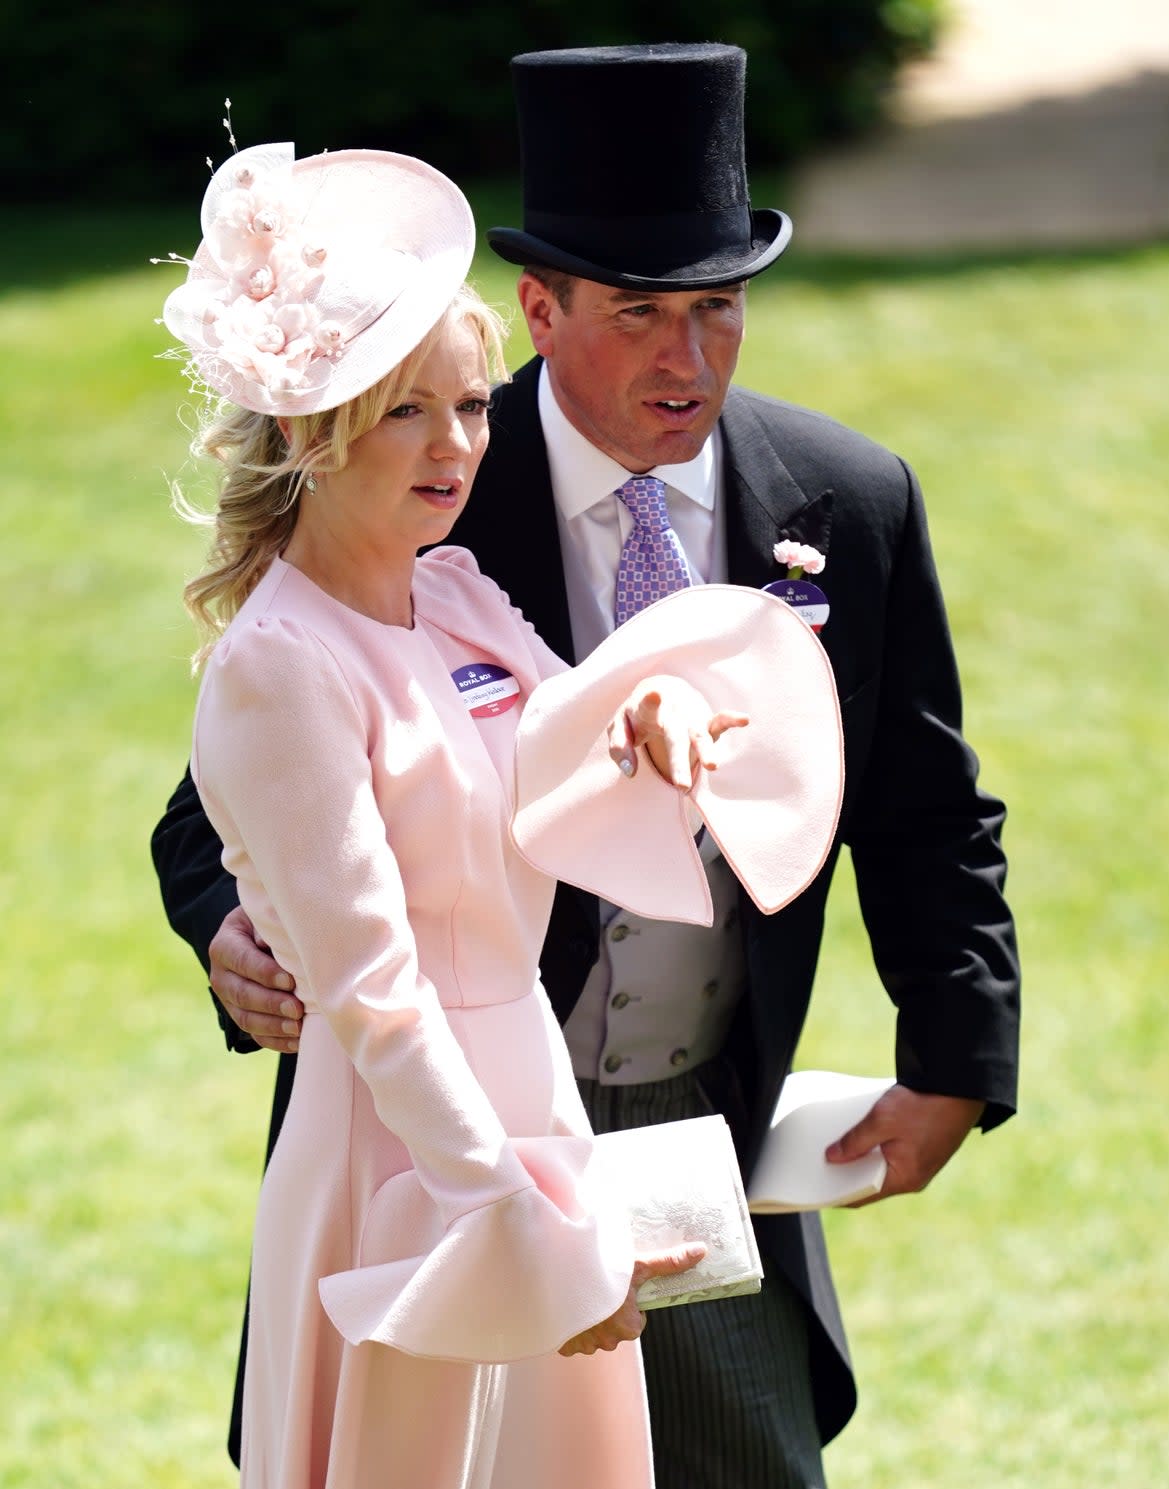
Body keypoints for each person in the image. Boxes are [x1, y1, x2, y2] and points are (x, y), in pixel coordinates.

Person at [153, 44, 1021, 1489]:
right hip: (448, 1140)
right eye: (639, 315)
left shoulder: (848, 500)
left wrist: (960, 1052)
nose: (685, 359)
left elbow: (926, 803)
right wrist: (229, 929)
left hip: (714, 1114)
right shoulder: (424, 501)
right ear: (541, 310)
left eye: (719, 310)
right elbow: (236, 808)